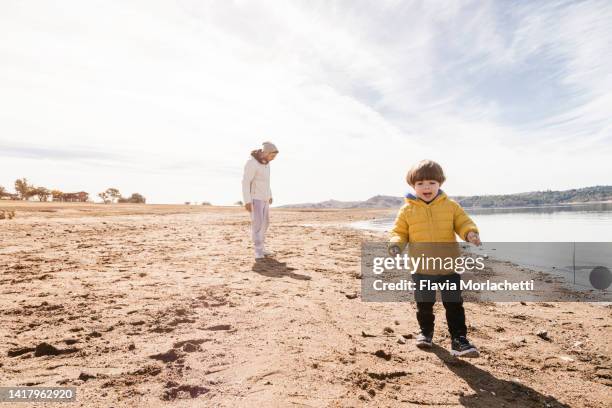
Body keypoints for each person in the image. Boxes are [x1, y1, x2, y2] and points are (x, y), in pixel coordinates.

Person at [388, 159, 482, 357]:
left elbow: (463, 223)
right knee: (424, 305)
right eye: (420, 183)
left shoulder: (450, 206)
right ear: (413, 186)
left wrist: (470, 233)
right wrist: (395, 245)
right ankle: (425, 333)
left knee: (454, 305)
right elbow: (399, 232)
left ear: (440, 183)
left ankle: (459, 340)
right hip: (421, 269)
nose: (426, 187)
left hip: (449, 267)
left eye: (431, 182)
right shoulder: (407, 210)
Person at [242, 142, 279, 259]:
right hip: (255, 198)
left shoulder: (267, 164)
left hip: (265, 198)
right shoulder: (252, 163)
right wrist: (247, 200)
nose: (273, 159)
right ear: (266, 153)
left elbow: (266, 182)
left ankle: (262, 248)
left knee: (265, 223)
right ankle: (258, 251)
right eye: (272, 156)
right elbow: (246, 182)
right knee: (257, 224)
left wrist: (270, 194)